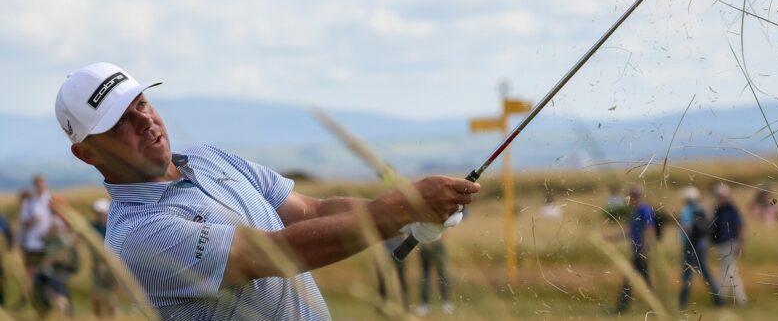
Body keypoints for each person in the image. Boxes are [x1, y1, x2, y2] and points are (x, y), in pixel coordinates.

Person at [54, 62, 480, 319]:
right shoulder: (138, 237)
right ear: (87, 154)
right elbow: (278, 254)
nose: (144, 121)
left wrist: (408, 213)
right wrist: (396, 210)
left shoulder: (207, 158)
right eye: (120, 123)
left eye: (142, 104)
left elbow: (311, 212)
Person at [31, 196, 79, 318]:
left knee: (56, 286)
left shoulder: (63, 221)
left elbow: (68, 244)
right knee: (49, 285)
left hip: (62, 262)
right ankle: (62, 314)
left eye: (52, 205)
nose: (49, 207)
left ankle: (64, 315)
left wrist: (57, 257)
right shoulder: (57, 220)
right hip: (54, 262)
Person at [612, 186, 656, 314]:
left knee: (632, 279)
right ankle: (655, 307)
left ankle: (621, 307)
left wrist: (646, 248)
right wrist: (611, 238)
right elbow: (629, 232)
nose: (629, 198)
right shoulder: (634, 212)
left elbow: (650, 228)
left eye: (631, 196)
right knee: (638, 280)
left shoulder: (644, 209)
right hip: (637, 251)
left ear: (635, 196)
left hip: (641, 252)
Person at [677, 186, 722, 309]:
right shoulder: (702, 208)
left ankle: (682, 303)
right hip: (702, 245)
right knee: (707, 273)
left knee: (687, 275)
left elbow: (687, 227)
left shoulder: (686, 210)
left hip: (690, 246)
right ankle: (719, 300)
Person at [710, 183, 747, 306]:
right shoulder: (717, 210)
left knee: (729, 270)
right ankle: (736, 299)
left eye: (720, 196)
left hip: (731, 243)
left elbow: (740, 227)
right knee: (730, 271)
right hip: (722, 244)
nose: (718, 198)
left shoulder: (732, 209)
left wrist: (742, 244)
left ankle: (722, 297)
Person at [19, 175, 53, 280]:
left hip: (48, 243)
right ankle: (30, 293)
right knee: (30, 272)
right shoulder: (28, 202)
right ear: (34, 186)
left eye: (42, 185)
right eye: (38, 185)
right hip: (32, 243)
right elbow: (23, 223)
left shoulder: (51, 200)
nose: (40, 187)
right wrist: (32, 220)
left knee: (47, 272)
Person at [90, 198, 118, 319]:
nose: (97, 215)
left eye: (99, 213)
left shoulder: (111, 227)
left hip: (108, 265)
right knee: (98, 293)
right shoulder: (94, 226)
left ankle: (112, 316)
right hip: (98, 265)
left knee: (105, 293)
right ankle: (100, 316)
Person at [416, 239, 452, 316]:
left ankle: (445, 302)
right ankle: (424, 304)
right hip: (425, 246)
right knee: (426, 275)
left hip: (437, 245)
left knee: (442, 274)